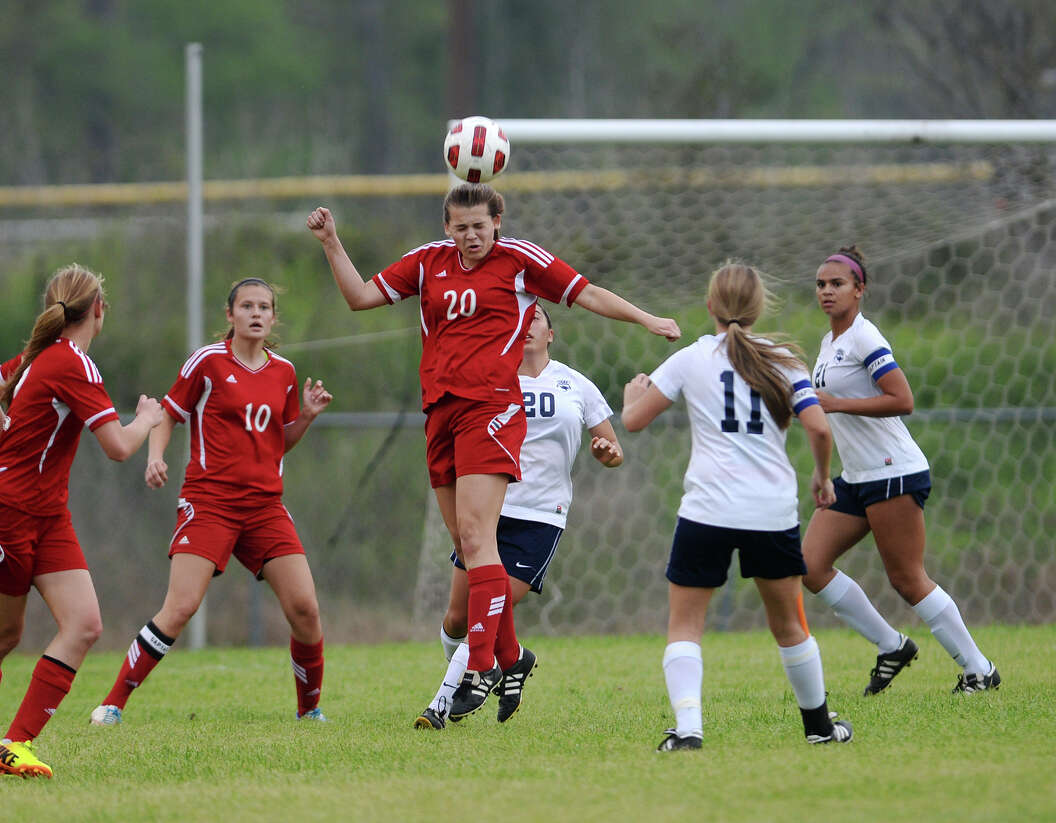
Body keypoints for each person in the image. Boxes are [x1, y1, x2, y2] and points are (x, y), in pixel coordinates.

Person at [308, 183, 680, 720]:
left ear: (497, 220)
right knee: (465, 541)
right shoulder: (428, 262)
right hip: (440, 412)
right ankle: (510, 654)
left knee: (480, 538)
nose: (471, 236)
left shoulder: (520, 261)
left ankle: (480, 665)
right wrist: (331, 242)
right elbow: (360, 296)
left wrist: (647, 319)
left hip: (492, 409)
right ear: (446, 229)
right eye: (460, 227)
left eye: (479, 225)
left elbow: (589, 292)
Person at [621, 261, 853, 750]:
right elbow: (818, 427)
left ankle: (688, 732)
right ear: (759, 307)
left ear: (710, 307)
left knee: (685, 625)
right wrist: (821, 476)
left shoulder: (691, 358)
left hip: (706, 510)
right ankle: (818, 729)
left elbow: (635, 421)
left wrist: (631, 395)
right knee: (788, 624)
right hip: (769, 511)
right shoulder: (785, 361)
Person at [0, 264, 165, 779]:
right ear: (98, 310)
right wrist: (147, 418)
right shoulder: (71, 363)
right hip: (3, 511)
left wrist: (12, 443)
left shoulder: (38, 357)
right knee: (2, 637)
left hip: (45, 515)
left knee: (85, 624)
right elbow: (118, 447)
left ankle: (13, 744)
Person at [91, 277, 333, 726]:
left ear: (273, 317)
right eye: (247, 306)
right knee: (180, 607)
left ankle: (309, 710)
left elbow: (279, 443)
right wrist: (156, 457)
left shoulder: (283, 372)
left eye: (264, 307)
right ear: (230, 315)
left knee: (306, 608)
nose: (256, 313)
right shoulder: (208, 362)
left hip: (264, 508)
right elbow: (167, 413)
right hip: (211, 502)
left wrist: (308, 417)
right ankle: (111, 705)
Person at [413, 305, 624, 729]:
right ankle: (510, 659)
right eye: (517, 318)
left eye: (535, 319)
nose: (525, 325)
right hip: (487, 509)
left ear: (551, 334)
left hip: (541, 514)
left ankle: (441, 702)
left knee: (484, 609)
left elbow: (612, 449)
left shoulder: (576, 385)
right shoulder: (489, 379)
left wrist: (608, 453)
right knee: (456, 619)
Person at [801, 246, 999, 695]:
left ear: (860, 289)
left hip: (894, 471)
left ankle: (979, 670)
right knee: (810, 567)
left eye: (837, 284)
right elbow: (831, 421)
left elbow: (902, 399)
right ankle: (892, 646)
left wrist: (835, 403)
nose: (827, 292)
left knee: (907, 579)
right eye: (820, 284)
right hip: (857, 476)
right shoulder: (830, 343)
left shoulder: (865, 338)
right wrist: (826, 471)